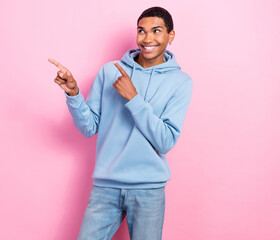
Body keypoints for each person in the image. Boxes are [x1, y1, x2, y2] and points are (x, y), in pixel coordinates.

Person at [49, 6, 192, 240]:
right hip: (106, 185)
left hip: (149, 189)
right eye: (141, 31)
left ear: (170, 35)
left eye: (156, 31)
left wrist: (133, 98)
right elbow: (89, 127)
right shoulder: (109, 71)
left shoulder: (181, 82)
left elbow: (165, 141)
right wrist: (74, 95)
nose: (147, 39)